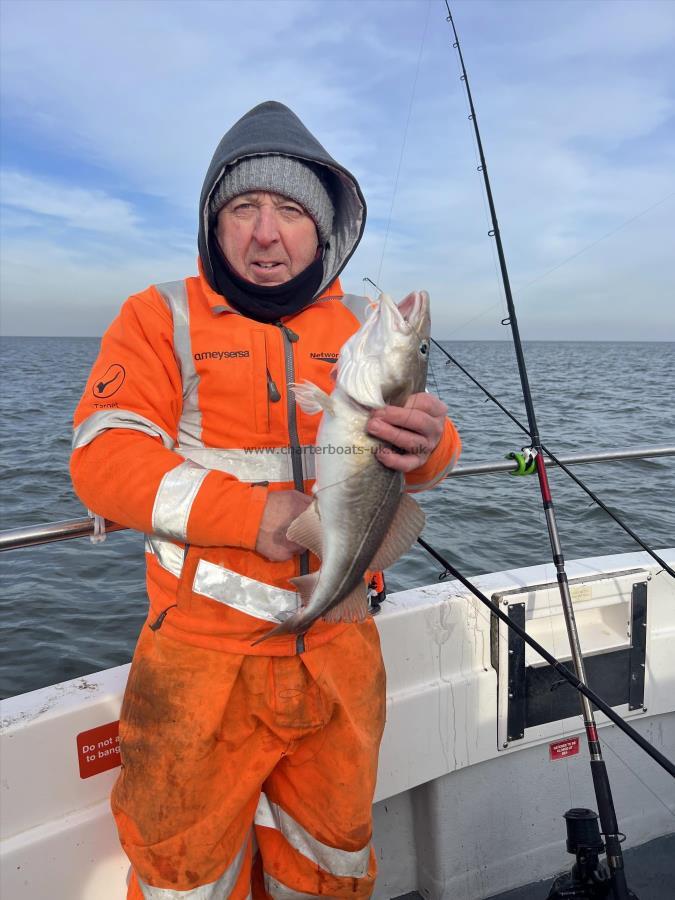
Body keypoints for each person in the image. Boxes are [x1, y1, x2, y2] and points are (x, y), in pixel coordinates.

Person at [71, 101, 461, 900]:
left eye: (289, 210)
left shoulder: (360, 325)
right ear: (214, 225)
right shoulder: (158, 317)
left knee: (331, 861)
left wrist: (433, 445)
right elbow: (104, 462)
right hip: (198, 659)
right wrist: (258, 518)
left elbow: (413, 455)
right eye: (244, 207)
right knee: (184, 873)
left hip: (342, 649)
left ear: (323, 232)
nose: (265, 231)